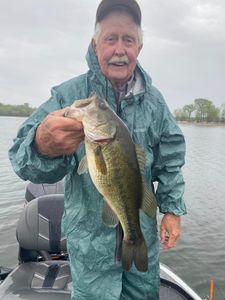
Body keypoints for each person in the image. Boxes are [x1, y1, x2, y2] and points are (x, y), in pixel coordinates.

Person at [9, 0, 186, 299]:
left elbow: (170, 161)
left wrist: (171, 209)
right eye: (110, 39)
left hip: (141, 233)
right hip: (90, 247)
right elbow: (22, 161)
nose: (120, 49)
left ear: (139, 48)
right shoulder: (70, 96)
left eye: (128, 40)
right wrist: (42, 144)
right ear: (94, 44)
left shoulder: (155, 103)